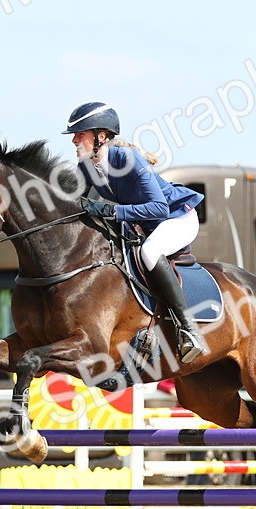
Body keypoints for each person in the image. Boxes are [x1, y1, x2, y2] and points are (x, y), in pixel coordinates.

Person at [63, 101, 208, 364]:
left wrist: (112, 212)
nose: (74, 140)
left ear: (101, 136)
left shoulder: (128, 160)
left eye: (80, 134)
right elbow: (78, 206)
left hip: (178, 217)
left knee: (149, 252)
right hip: (146, 224)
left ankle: (189, 330)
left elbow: (159, 208)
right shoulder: (86, 167)